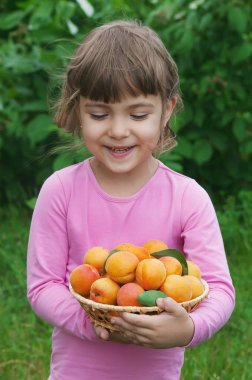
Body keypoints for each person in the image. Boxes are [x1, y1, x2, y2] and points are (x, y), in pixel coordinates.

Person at [27, 20, 235, 380]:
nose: (119, 130)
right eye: (99, 114)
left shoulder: (187, 198)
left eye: (138, 114)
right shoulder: (60, 190)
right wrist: (98, 322)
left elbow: (218, 288)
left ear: (166, 110)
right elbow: (43, 286)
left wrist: (188, 329)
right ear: (78, 110)